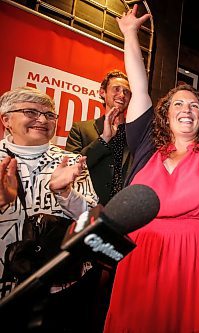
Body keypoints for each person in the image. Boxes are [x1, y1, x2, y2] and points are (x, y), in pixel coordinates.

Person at [104, 6, 199, 332]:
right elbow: (139, 84)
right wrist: (131, 33)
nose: (187, 109)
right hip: (144, 259)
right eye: (179, 103)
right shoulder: (146, 144)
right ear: (165, 113)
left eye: (194, 105)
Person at [0, 86, 98, 331]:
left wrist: (65, 193)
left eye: (49, 115)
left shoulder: (71, 162)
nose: (42, 120)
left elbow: (92, 220)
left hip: (60, 286)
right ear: (6, 120)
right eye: (30, 112)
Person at [65, 69, 132, 206]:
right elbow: (71, 168)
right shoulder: (81, 129)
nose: (121, 95)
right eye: (116, 89)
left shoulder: (134, 134)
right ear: (102, 92)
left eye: (126, 92)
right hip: (89, 209)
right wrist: (103, 140)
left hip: (123, 211)